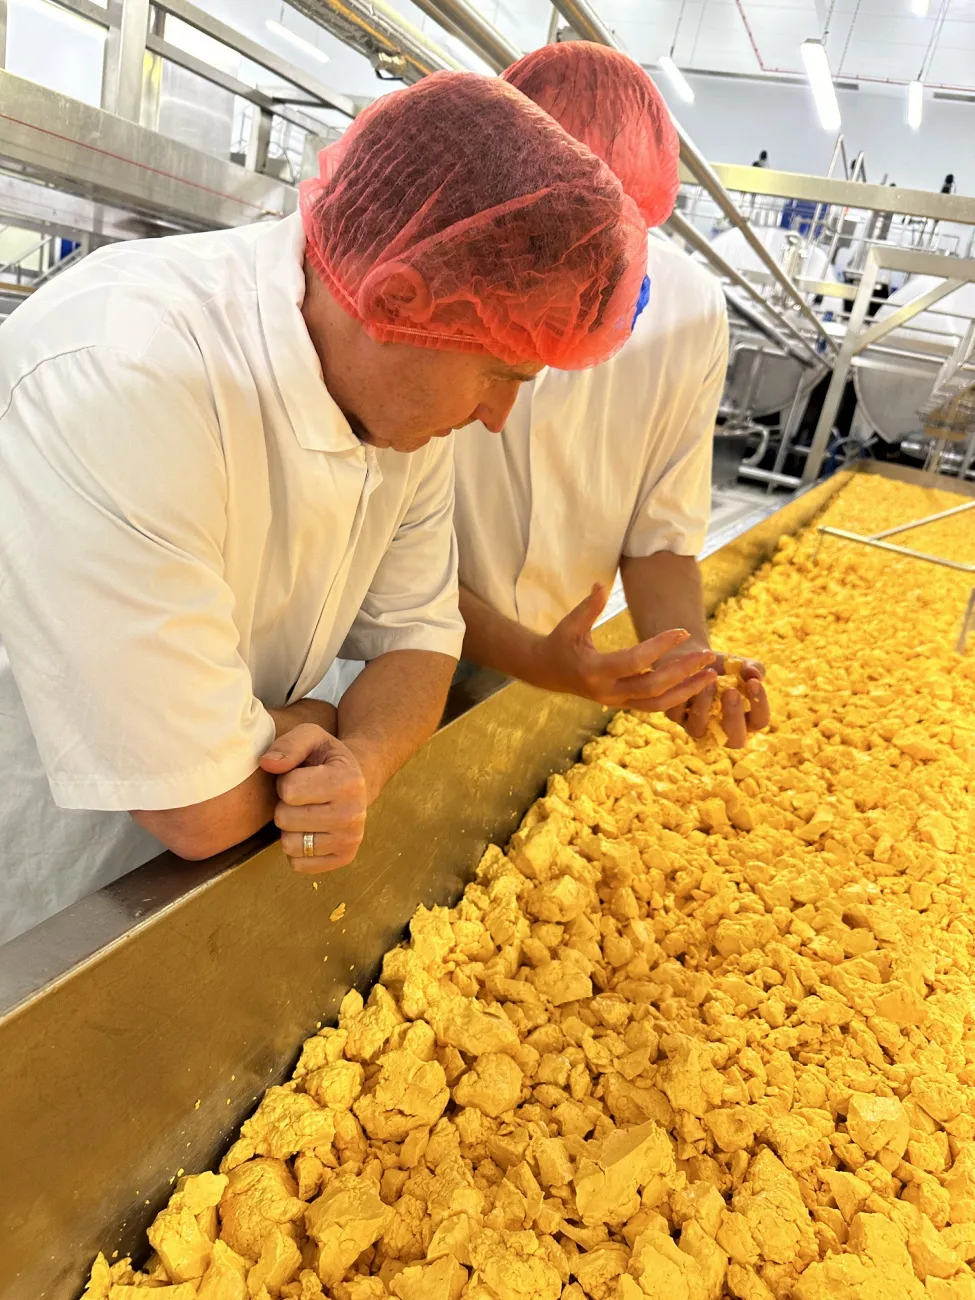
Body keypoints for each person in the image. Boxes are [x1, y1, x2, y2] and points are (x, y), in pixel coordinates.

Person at [0, 72, 651, 944]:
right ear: (396, 303)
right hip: (54, 885)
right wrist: (317, 720)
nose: (498, 416)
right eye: (502, 374)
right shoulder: (127, 375)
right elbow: (196, 806)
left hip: (217, 856)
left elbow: (419, 638)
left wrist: (362, 762)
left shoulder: (399, 408)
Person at [454, 43, 770, 749]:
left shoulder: (688, 311)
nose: (580, 267)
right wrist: (537, 660)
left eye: (608, 238)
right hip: (410, 640)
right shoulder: (452, 280)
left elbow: (660, 530)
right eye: (552, 230)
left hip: (573, 654)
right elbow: (385, 549)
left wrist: (686, 669)